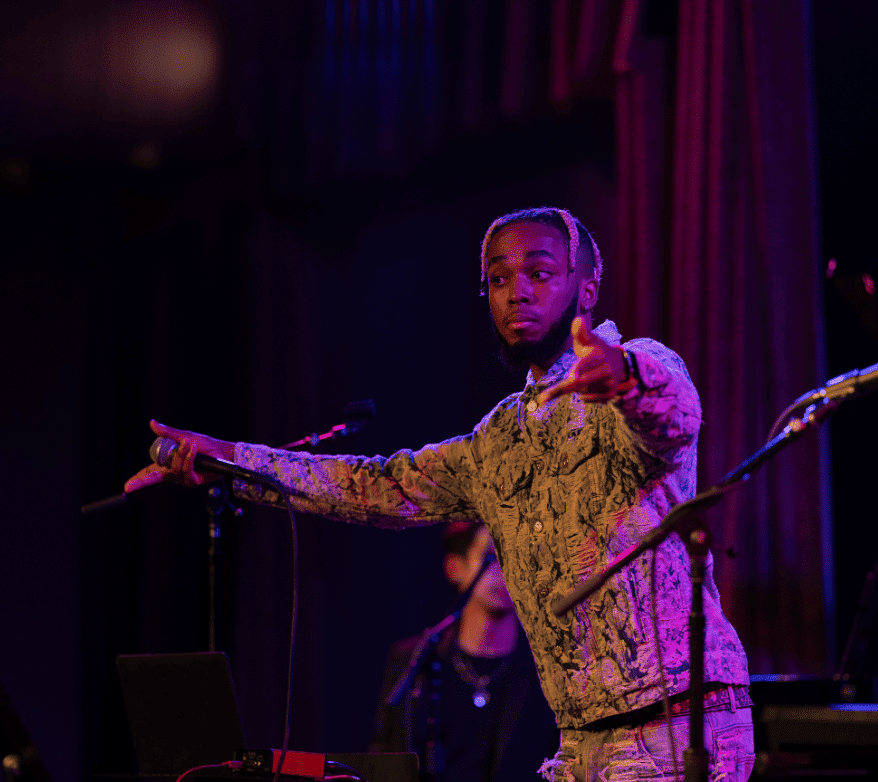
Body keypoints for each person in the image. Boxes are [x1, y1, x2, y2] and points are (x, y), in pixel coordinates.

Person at [125, 207, 754, 781]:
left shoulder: (638, 361)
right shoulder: (500, 439)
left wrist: (620, 376)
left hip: (675, 728)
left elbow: (673, 413)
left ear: (586, 288)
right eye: (499, 279)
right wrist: (226, 462)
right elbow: (375, 486)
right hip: (581, 745)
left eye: (541, 272)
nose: (518, 292)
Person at [369, 521, 559, 781]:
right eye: (493, 556)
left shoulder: (549, 668)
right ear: (455, 568)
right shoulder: (413, 658)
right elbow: (385, 756)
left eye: (516, 557)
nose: (504, 571)